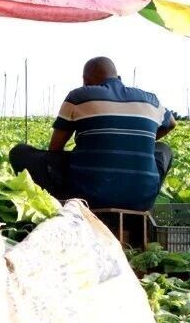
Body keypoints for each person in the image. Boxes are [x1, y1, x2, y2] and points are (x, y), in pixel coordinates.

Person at [9, 56, 176, 211]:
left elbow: (55, 149)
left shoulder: (79, 96)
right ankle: (142, 200)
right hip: (141, 201)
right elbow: (171, 123)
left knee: (20, 152)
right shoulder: (151, 100)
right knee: (164, 149)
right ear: (118, 78)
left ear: (85, 80)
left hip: (86, 197)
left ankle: (60, 204)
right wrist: (142, 144)